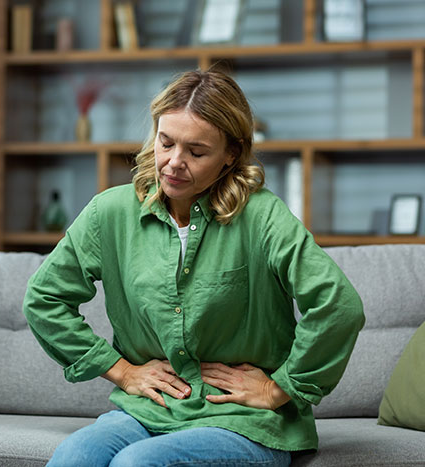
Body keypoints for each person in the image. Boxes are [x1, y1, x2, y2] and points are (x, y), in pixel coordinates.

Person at [23, 69, 365, 467]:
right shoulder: (110, 213)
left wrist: (279, 389)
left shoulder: (262, 217)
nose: (173, 163)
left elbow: (338, 306)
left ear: (230, 155)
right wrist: (121, 371)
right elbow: (44, 298)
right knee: (74, 457)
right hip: (148, 411)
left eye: (196, 152)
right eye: (165, 143)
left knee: (138, 465)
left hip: (244, 421)